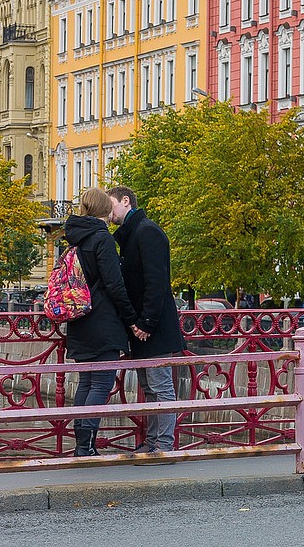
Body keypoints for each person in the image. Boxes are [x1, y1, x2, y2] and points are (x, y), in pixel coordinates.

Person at [107, 185, 186, 456]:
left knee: (160, 388)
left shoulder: (147, 231)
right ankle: (153, 442)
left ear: (126, 201)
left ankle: (162, 445)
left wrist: (146, 322)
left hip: (153, 329)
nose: (109, 212)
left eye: (112, 205)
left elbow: (157, 282)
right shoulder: (134, 233)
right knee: (150, 389)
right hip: (143, 327)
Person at [64, 188, 138, 457]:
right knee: (101, 384)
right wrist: (131, 318)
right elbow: (114, 284)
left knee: (86, 384)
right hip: (102, 322)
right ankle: (87, 445)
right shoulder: (101, 238)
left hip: (79, 322)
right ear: (104, 210)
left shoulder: (74, 238)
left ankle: (81, 444)